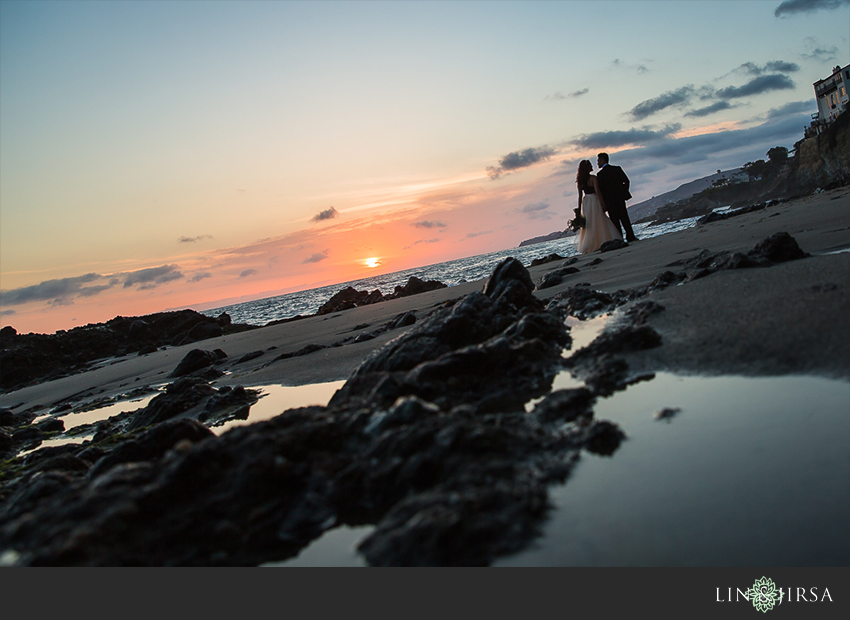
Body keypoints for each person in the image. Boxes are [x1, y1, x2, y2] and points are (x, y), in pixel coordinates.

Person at [574, 159, 622, 254]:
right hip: (594, 200)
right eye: (590, 165)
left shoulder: (580, 181)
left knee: (590, 223)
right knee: (600, 219)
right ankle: (605, 239)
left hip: (586, 202)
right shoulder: (593, 178)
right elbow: (598, 192)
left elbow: (579, 196)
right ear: (587, 168)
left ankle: (592, 243)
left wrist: (578, 210)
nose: (592, 167)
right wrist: (603, 204)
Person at [596, 152, 638, 242]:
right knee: (624, 218)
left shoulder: (600, 175)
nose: (597, 163)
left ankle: (619, 239)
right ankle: (630, 236)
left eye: (598, 160)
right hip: (619, 198)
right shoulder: (617, 169)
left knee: (615, 220)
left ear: (603, 160)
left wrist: (603, 202)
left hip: (609, 201)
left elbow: (601, 190)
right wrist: (623, 192)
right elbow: (626, 181)